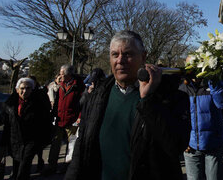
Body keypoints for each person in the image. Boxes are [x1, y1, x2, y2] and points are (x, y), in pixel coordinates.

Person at [65, 30, 190, 180]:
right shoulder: (96, 95)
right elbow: (82, 144)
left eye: (128, 54)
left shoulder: (171, 97)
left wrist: (147, 100)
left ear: (143, 56)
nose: (120, 60)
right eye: (115, 55)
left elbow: (175, 145)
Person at [179, 76, 223, 180]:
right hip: (191, 147)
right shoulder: (183, 88)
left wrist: (214, 83)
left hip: (213, 144)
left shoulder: (214, 83)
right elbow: (179, 117)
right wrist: (182, 140)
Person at [1, 77, 52, 180]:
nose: (25, 91)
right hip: (15, 140)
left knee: (24, 165)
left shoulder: (38, 103)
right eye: (22, 88)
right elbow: (7, 124)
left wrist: (42, 139)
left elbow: (45, 122)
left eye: (28, 88)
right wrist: (4, 141)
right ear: (17, 89)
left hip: (31, 140)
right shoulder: (10, 104)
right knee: (16, 164)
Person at [43, 64, 84, 175]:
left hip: (73, 120)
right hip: (60, 120)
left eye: (62, 74)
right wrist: (54, 115)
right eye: (60, 74)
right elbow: (57, 102)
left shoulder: (78, 86)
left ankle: (67, 167)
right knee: (55, 144)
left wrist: (79, 118)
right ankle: (51, 166)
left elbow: (82, 105)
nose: (60, 76)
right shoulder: (60, 86)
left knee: (70, 146)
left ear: (69, 74)